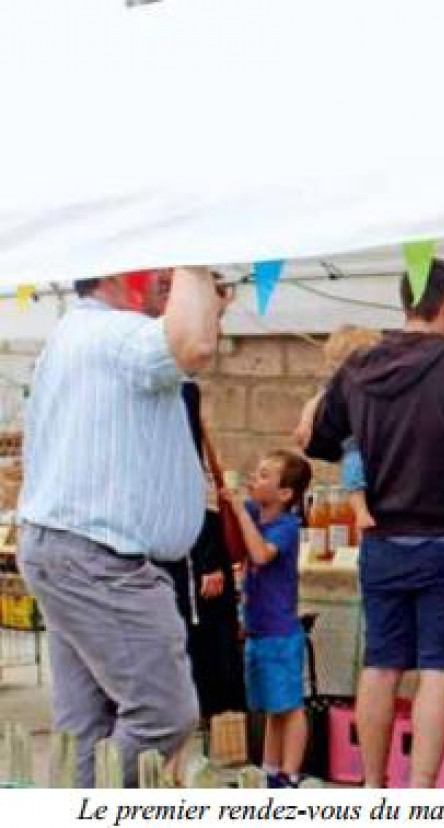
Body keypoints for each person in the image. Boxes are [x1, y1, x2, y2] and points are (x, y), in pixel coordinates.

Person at [304, 260, 444, 787]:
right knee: (439, 673)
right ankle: (419, 792)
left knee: (380, 666)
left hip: (383, 544)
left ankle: (374, 788)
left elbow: (322, 439)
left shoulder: (359, 368)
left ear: (404, 304)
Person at [17, 266, 222, 787]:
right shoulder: (117, 335)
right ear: (113, 270)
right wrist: (195, 256)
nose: (169, 280)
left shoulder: (75, 331)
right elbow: (195, 343)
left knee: (84, 725)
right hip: (100, 559)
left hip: (70, 551)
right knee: (164, 714)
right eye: (160, 265)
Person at [144, 269, 246, 719]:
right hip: (181, 544)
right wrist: (206, 552)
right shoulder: (174, 385)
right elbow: (185, 471)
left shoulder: (184, 385)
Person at [222, 450, 313, 788]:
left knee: (290, 707)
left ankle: (289, 773)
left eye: (263, 476)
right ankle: (269, 769)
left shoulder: (286, 527)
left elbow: (260, 553)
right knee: (272, 708)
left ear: (285, 494)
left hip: (280, 633)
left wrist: (239, 510)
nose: (254, 480)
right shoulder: (252, 515)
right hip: (257, 631)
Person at [293, 325, 384, 533]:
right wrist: (305, 421)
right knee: (353, 464)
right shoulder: (337, 385)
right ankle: (360, 511)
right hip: (354, 440)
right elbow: (315, 400)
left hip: (375, 440)